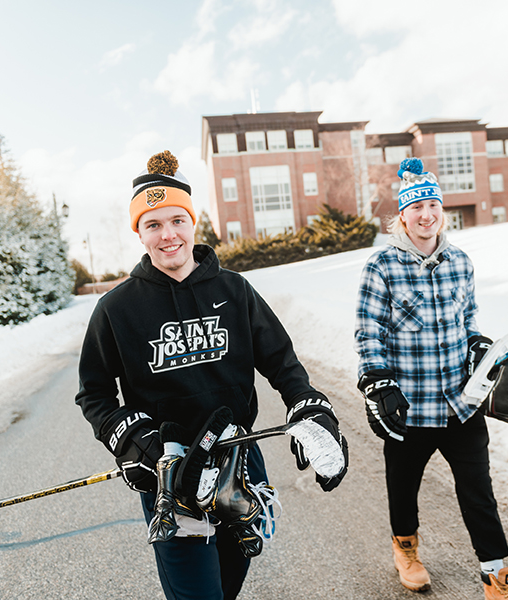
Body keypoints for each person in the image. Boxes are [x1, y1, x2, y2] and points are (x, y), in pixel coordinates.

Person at [76, 150, 348, 600]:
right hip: (169, 470)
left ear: (192, 222)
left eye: (176, 221)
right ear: (139, 233)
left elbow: (282, 362)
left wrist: (308, 404)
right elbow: (95, 395)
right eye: (153, 225)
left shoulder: (235, 290)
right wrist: (127, 438)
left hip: (239, 459)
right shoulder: (116, 309)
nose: (168, 236)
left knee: (227, 584)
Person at [355, 158, 508, 599]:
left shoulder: (460, 262)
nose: (426, 215)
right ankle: (406, 550)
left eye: (433, 205)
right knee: (404, 488)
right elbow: (369, 333)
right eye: (416, 207)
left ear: (442, 210)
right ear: (402, 215)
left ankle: (497, 578)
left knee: (479, 493)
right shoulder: (381, 266)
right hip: (410, 406)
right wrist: (378, 382)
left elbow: (469, 320)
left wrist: (478, 345)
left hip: (462, 402)